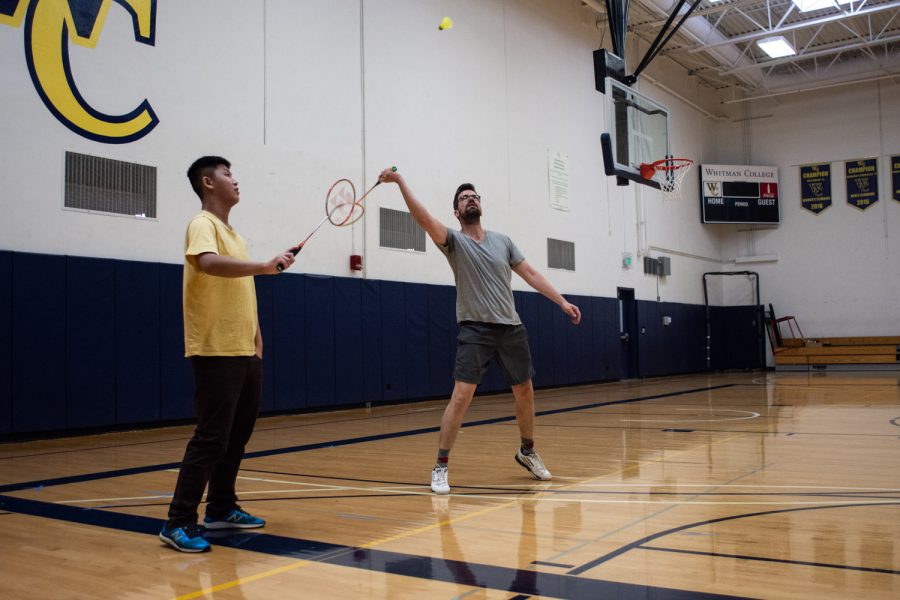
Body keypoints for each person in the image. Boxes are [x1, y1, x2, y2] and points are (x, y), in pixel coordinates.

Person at [378, 168, 581, 495]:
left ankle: (527, 451)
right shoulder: (454, 241)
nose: (470, 199)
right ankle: (441, 465)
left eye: (474, 196)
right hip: (475, 328)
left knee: (525, 390)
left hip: (511, 327)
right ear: (457, 212)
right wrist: (400, 182)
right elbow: (425, 220)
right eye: (463, 198)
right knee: (461, 396)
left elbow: (529, 272)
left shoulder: (503, 241)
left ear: (480, 205)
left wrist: (561, 302)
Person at [159, 156, 297, 552]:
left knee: (237, 436)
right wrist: (265, 266)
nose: (235, 180)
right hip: (215, 346)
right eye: (227, 174)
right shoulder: (202, 225)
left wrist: (257, 338)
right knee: (211, 437)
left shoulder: (233, 234)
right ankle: (178, 520)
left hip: (244, 348)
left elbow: (242, 289)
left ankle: (220, 507)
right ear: (207, 182)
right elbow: (207, 264)